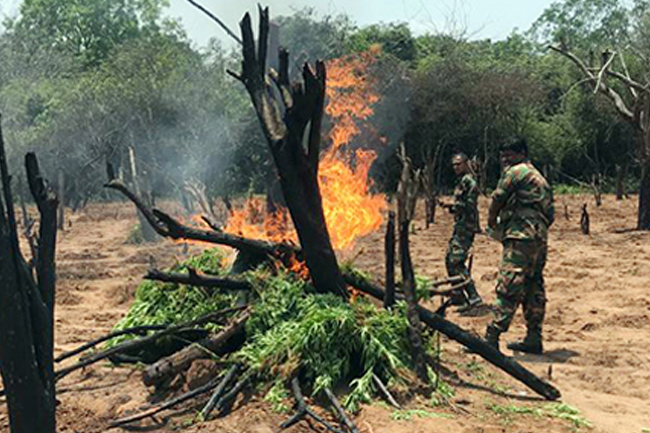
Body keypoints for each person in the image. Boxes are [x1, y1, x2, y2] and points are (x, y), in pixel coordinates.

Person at [484, 138, 554, 354]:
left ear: (522, 153)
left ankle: (492, 336)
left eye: (510, 154)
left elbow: (498, 197)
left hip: (520, 236)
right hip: (539, 238)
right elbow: (550, 214)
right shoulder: (539, 177)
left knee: (510, 282)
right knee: (533, 285)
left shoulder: (516, 172)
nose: (506, 159)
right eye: (503, 155)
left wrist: (491, 221)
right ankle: (534, 337)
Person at [441, 153, 483, 311]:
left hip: (466, 227)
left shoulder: (469, 182)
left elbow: (469, 206)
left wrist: (451, 204)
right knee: (449, 259)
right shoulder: (461, 181)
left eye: (458, 164)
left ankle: (473, 297)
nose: (455, 167)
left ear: (466, 164)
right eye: (454, 165)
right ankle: (458, 296)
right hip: (460, 226)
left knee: (456, 262)